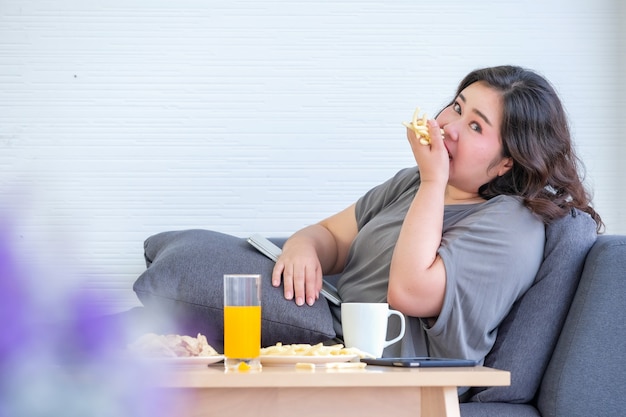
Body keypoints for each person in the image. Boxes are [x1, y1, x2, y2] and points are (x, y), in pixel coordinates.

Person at [270, 65, 603, 363]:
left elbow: (409, 292)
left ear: (507, 162)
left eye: (475, 126)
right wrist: (302, 247)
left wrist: (433, 180)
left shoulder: (513, 226)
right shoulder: (412, 182)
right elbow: (330, 235)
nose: (450, 127)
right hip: (326, 340)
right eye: (457, 107)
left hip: (391, 376)